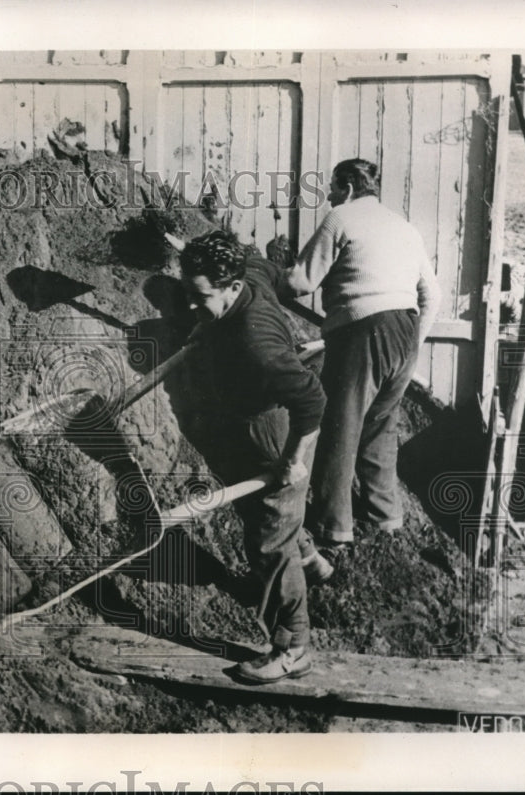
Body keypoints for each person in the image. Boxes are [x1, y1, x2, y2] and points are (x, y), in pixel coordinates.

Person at [178, 230, 327, 683]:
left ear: (230, 287)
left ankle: (293, 646)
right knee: (271, 518)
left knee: (267, 539)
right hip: (248, 414)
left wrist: (292, 459)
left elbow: (312, 403)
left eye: (200, 296)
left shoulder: (257, 344)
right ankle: (312, 560)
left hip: (275, 426)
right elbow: (254, 255)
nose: (190, 304)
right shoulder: (253, 274)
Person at [284, 158, 440, 555]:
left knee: (340, 424)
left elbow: (301, 282)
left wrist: (274, 274)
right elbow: (433, 296)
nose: (331, 197)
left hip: (362, 331)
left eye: (334, 188)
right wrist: (413, 343)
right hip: (405, 330)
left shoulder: (342, 217)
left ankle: (332, 528)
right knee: (380, 425)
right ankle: (384, 516)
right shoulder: (404, 227)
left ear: (349, 188)